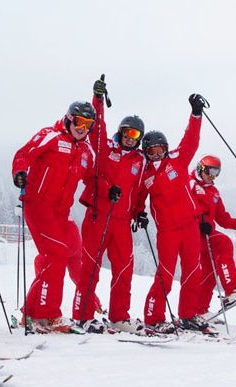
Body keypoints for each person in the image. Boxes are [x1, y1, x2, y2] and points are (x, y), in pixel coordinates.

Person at [71, 76, 147, 334]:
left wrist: (139, 212)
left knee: (124, 269)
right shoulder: (105, 146)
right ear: (120, 132)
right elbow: (98, 126)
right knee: (90, 267)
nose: (129, 138)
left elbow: (138, 192)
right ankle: (82, 316)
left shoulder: (140, 160)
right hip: (98, 215)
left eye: (135, 134)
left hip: (122, 222)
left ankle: (118, 317)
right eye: (126, 132)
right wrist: (98, 99)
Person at [12, 101, 95, 333]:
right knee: (55, 254)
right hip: (38, 206)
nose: (82, 128)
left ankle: (31, 313)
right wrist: (19, 172)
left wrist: (101, 193)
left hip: (61, 212)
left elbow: (93, 179)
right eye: (79, 122)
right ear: (69, 119)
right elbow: (24, 154)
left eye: (88, 124)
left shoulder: (86, 151)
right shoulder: (51, 136)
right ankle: (47, 315)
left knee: (62, 254)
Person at [134, 94, 207, 335]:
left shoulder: (177, 160)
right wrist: (139, 213)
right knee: (165, 273)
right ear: (145, 152)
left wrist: (196, 115)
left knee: (193, 270)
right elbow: (137, 199)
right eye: (151, 151)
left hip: (190, 226)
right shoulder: (145, 175)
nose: (156, 155)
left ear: (165, 149)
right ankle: (153, 318)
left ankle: (188, 314)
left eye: (159, 150)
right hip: (167, 231)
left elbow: (191, 141)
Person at [191, 155, 236, 317]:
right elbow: (182, 207)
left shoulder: (213, 192)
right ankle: (232, 287)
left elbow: (222, 218)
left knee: (210, 272)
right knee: (223, 242)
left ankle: (199, 310)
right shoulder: (190, 185)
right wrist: (197, 222)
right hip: (192, 233)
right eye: (210, 171)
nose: (212, 176)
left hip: (206, 234)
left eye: (216, 173)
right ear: (201, 168)